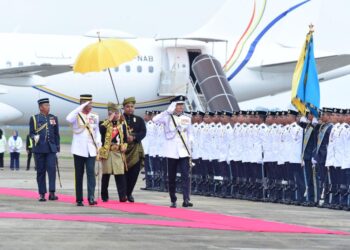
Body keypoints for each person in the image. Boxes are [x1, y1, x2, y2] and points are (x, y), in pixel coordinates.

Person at [153, 95, 193, 208]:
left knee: (186, 175)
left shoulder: (187, 118)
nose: (180, 107)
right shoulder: (167, 117)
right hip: (171, 152)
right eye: (178, 105)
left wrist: (191, 145)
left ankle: (186, 199)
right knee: (171, 177)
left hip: (184, 151)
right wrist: (167, 112)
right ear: (173, 106)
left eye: (182, 105)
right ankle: (173, 199)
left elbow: (190, 133)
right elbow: (154, 120)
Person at [66, 94, 102, 206]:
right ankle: (79, 199)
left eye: (91, 103)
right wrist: (80, 107)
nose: (90, 106)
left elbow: (97, 132)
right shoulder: (76, 115)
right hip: (78, 150)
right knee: (79, 174)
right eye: (88, 103)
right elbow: (68, 118)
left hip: (91, 149)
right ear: (82, 104)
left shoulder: (95, 116)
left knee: (91, 173)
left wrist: (99, 145)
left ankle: (91, 197)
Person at [29, 98, 60, 201]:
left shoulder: (53, 118)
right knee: (41, 172)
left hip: (51, 149)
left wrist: (57, 148)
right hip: (39, 149)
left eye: (49, 105)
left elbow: (56, 134)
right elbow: (31, 133)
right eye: (46, 105)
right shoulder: (34, 118)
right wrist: (34, 137)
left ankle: (52, 193)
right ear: (41, 107)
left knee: (52, 171)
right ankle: (42, 194)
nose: (48, 107)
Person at [99, 102, 128, 202]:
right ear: (109, 113)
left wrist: (124, 146)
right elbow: (100, 131)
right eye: (114, 113)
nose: (116, 115)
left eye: (117, 113)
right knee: (106, 175)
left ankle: (122, 196)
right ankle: (104, 196)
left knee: (120, 174)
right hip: (107, 152)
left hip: (118, 152)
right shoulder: (104, 123)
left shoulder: (122, 125)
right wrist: (109, 120)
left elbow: (125, 139)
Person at [122, 97, 146, 202]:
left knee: (134, 173)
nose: (130, 109)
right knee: (123, 174)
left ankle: (129, 193)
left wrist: (134, 137)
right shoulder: (120, 119)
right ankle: (123, 194)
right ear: (124, 108)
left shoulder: (139, 120)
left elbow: (143, 132)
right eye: (127, 107)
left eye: (132, 107)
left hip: (136, 149)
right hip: (123, 150)